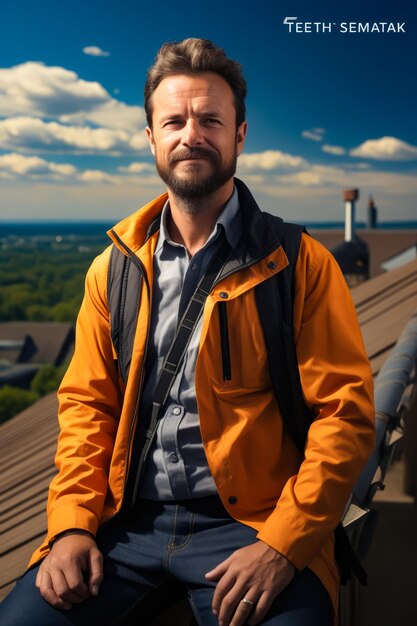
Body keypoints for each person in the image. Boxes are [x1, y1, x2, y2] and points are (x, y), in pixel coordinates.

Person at [0, 38, 375, 625]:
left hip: (252, 523)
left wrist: (283, 544)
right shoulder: (116, 270)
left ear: (239, 136)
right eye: (173, 120)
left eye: (210, 120)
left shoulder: (298, 263)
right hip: (125, 524)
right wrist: (72, 524)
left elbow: (344, 417)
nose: (191, 134)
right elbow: (86, 408)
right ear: (152, 138)